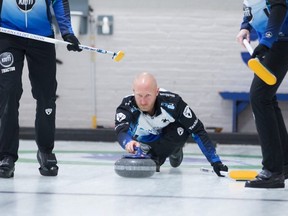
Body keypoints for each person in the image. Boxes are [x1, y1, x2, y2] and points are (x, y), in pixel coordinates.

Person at [0, 0, 82, 178]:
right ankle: (6, 155)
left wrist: (67, 33)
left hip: (42, 37)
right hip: (8, 36)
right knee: (8, 93)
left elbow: (59, 1)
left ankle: (45, 151)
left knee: (46, 95)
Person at [114, 72, 228, 176]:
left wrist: (215, 162)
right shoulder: (126, 106)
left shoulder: (173, 103)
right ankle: (156, 153)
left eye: (148, 95)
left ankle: (173, 150)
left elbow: (197, 130)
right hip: (147, 138)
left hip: (172, 133)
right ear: (133, 92)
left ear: (156, 92)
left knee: (182, 129)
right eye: (139, 95)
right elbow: (121, 131)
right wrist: (128, 142)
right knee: (146, 152)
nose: (143, 102)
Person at [236, 0, 288, 188]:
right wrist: (245, 27)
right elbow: (252, 8)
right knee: (266, 98)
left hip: (282, 41)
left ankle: (273, 171)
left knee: (259, 97)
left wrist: (266, 41)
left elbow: (280, 7)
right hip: (276, 41)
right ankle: (283, 164)